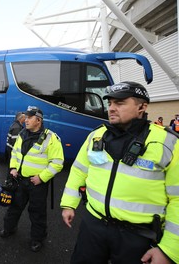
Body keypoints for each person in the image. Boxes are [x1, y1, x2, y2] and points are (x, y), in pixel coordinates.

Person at [60, 81, 179, 264]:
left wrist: (169, 250)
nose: (112, 109)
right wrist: (68, 204)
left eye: (120, 103)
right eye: (110, 103)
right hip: (93, 226)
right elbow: (78, 171)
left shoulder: (168, 143)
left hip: (138, 236)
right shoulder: (96, 136)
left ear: (142, 107)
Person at [0, 106, 64, 252]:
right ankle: (9, 228)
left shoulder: (51, 138)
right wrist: (13, 168)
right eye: (25, 117)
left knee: (37, 212)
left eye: (29, 117)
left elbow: (58, 163)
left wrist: (41, 177)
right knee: (14, 207)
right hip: (20, 180)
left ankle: (37, 239)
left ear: (38, 120)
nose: (25, 120)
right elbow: (15, 153)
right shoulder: (22, 134)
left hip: (37, 184)